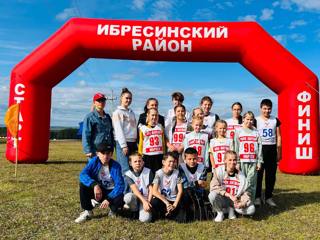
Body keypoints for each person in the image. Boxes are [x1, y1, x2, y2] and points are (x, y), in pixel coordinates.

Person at [75, 142, 125, 223]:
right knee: (83, 185)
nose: (106, 156)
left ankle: (113, 210)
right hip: (99, 191)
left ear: (111, 154)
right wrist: (94, 185)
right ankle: (88, 211)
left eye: (108, 153)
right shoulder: (93, 161)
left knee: (121, 196)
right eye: (103, 153)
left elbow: (120, 185)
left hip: (111, 192)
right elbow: (83, 174)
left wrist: (109, 198)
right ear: (97, 153)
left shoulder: (116, 166)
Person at [208, 150, 255, 222]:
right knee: (212, 195)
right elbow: (214, 187)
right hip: (223, 199)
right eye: (230, 160)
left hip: (235, 201)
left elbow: (246, 192)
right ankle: (220, 213)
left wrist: (242, 203)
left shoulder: (241, 175)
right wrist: (229, 195)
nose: (232, 162)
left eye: (234, 160)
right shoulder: (219, 171)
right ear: (225, 161)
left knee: (252, 209)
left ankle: (231, 209)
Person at [255, 99, 282, 207]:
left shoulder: (275, 120)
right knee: (258, 175)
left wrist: (279, 151)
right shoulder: (256, 120)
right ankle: (257, 197)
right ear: (261, 108)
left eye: (269, 108)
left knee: (271, 175)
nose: (267, 111)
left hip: (271, 149)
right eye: (265, 108)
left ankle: (268, 197)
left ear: (271, 109)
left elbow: (279, 136)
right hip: (260, 149)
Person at [234, 111, 263, 202]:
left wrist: (259, 161)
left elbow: (260, 147)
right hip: (242, 161)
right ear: (243, 119)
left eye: (251, 120)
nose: (249, 121)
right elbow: (236, 147)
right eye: (247, 119)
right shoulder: (238, 130)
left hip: (253, 161)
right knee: (241, 181)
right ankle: (240, 201)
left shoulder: (256, 131)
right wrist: (237, 161)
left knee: (251, 182)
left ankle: (250, 201)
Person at [151, 153, 184, 222]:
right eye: (170, 161)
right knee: (154, 202)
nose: (172, 163)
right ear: (163, 162)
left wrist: (174, 205)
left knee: (181, 220)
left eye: (174, 161)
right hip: (163, 199)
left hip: (173, 199)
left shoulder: (177, 173)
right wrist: (166, 202)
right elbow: (154, 191)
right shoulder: (158, 173)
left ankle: (170, 213)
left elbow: (180, 191)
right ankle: (162, 214)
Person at [112, 88, 137, 179]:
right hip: (123, 143)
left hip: (132, 143)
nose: (128, 100)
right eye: (126, 98)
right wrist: (123, 145)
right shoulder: (117, 112)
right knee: (125, 169)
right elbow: (118, 130)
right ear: (121, 98)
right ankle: (125, 192)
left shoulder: (132, 112)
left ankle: (132, 191)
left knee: (133, 167)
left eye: (130, 98)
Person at [179, 147, 207, 222]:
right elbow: (183, 184)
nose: (192, 161)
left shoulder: (202, 167)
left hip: (198, 193)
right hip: (185, 194)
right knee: (186, 192)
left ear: (197, 157)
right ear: (185, 158)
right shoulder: (181, 167)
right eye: (189, 159)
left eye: (194, 159)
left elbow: (203, 184)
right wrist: (196, 182)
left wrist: (200, 183)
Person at [124, 153, 154, 222]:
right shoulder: (128, 174)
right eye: (135, 161)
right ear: (130, 163)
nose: (138, 163)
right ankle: (135, 211)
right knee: (128, 197)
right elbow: (135, 190)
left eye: (139, 161)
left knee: (145, 219)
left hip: (146, 198)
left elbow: (151, 189)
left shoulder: (148, 171)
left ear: (143, 162)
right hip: (136, 198)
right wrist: (144, 202)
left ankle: (141, 211)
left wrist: (148, 202)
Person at [82, 93, 114, 158]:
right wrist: (87, 150)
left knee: (106, 168)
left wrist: (112, 147)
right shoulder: (89, 117)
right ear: (94, 103)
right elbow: (86, 134)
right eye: (99, 101)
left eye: (103, 100)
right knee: (96, 168)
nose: (101, 102)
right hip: (95, 151)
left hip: (107, 150)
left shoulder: (107, 117)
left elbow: (111, 133)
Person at [138, 108, 166, 174]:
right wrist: (140, 154)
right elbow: (141, 143)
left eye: (156, 115)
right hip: (147, 156)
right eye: (152, 115)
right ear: (148, 115)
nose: (154, 117)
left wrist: (164, 153)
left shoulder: (160, 127)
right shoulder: (143, 128)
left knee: (159, 174)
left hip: (159, 155)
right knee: (148, 175)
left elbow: (163, 142)